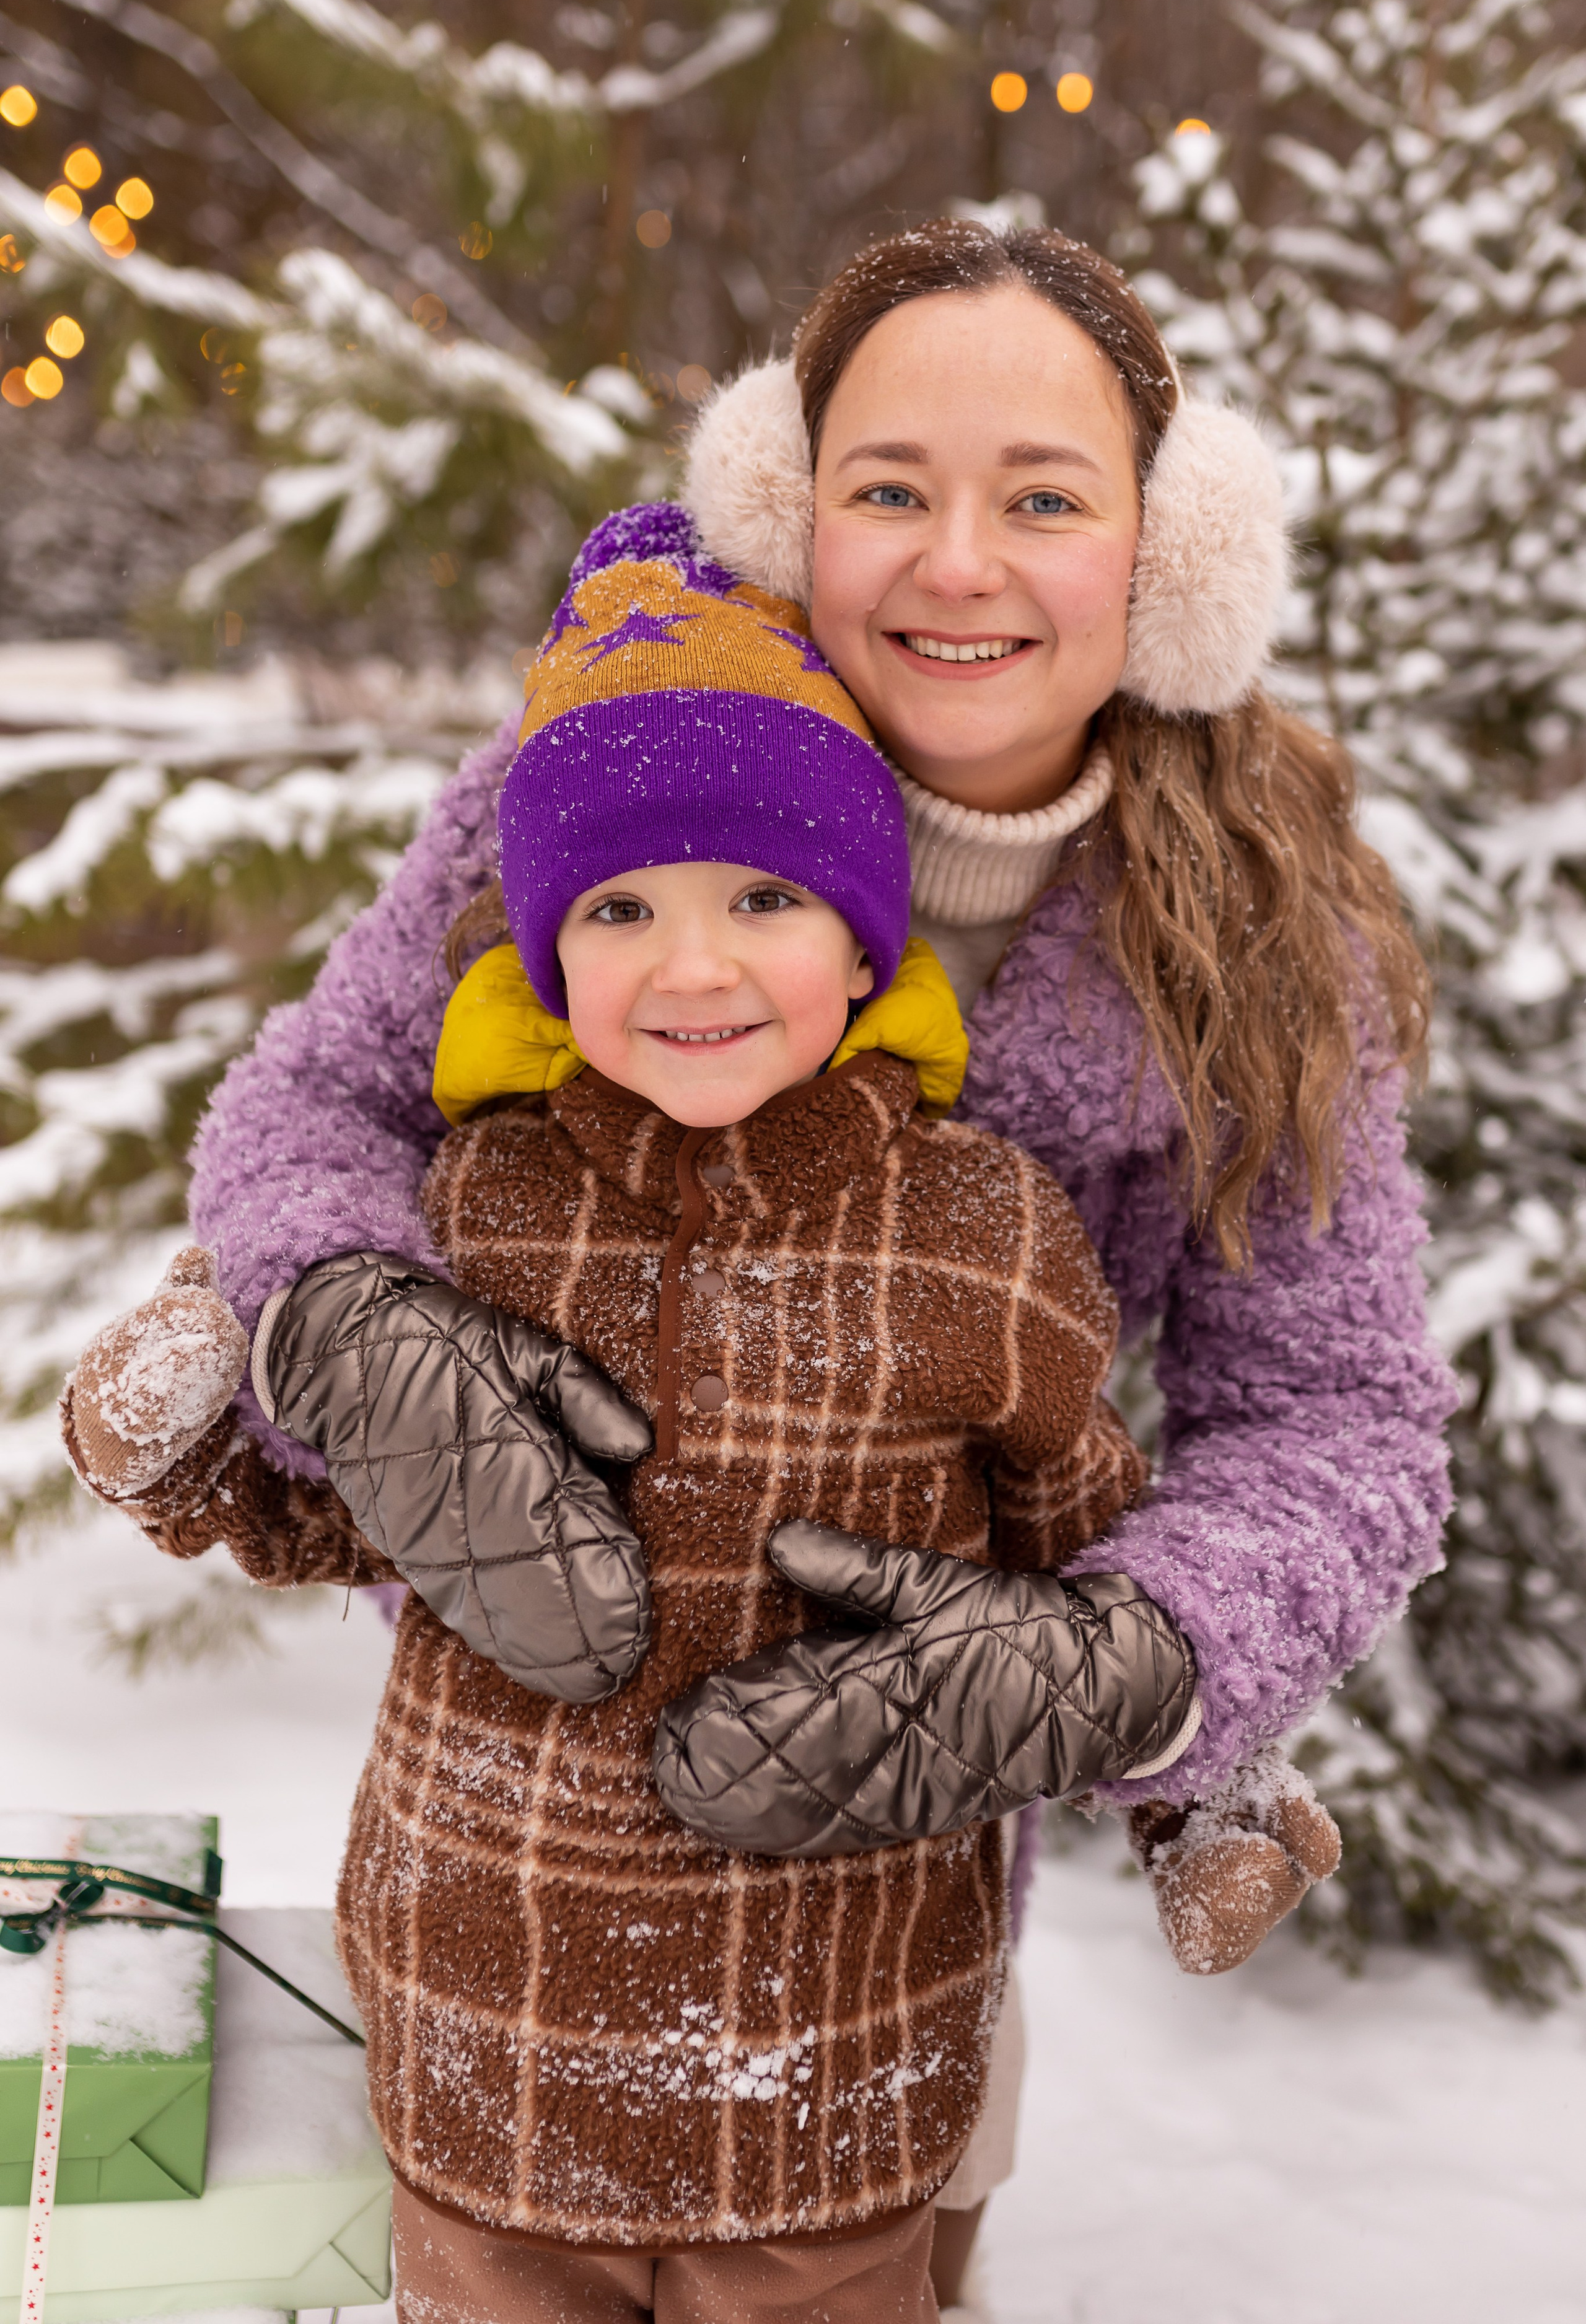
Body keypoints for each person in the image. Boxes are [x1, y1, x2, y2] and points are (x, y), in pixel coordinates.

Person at [63, 221, 1455, 2315]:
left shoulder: (1261, 943)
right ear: (792, 510)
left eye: (1044, 499)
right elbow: (314, 1105)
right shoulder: (619, 771)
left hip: (881, 1876)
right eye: (889, 487)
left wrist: (1136, 1653)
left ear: (1169, 560)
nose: (957, 564)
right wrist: (345, 1322)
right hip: (521, 1792)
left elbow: (1336, 1410)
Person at [66, 557, 1204, 2318]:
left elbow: (1088, 1575)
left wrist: (1207, 1789)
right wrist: (185, 1440)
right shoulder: (475, 1209)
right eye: (616, 909)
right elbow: (331, 1508)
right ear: (541, 949)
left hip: (832, 2062)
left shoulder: (981, 1241)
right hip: (489, 2045)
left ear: (863, 943)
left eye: (764, 895)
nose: (693, 964)